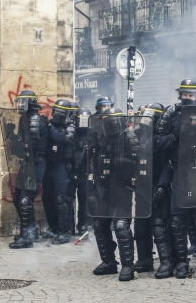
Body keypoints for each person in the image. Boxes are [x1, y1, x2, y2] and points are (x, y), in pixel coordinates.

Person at [157, 78, 196, 282]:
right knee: (178, 221)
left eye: (191, 95)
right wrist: (175, 137)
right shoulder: (172, 113)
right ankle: (182, 263)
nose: (187, 98)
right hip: (181, 173)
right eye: (184, 94)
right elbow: (159, 143)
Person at [89, 108, 142, 281]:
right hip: (105, 188)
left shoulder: (130, 139)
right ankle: (109, 262)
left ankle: (128, 266)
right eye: (107, 122)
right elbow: (93, 162)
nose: (111, 126)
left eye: (113, 122)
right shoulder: (101, 140)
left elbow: (138, 165)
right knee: (99, 223)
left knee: (121, 225)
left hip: (122, 188)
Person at [133, 103, 176, 278]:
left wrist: (162, 185)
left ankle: (166, 262)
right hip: (142, 186)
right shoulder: (137, 137)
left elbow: (168, 165)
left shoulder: (162, 139)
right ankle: (144, 260)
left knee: (158, 225)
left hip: (158, 185)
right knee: (141, 225)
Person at [9, 90, 49, 249]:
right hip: (27, 164)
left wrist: (14, 140)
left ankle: (28, 238)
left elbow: (28, 146)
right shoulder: (24, 119)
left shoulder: (33, 120)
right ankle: (29, 232)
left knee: (26, 199)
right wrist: (11, 136)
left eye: (21, 102)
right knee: (18, 197)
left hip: (36, 164)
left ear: (29, 103)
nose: (18, 105)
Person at [42, 99, 76, 244]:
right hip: (49, 165)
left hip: (62, 167)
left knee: (61, 199)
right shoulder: (50, 125)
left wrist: (49, 126)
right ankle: (53, 228)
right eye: (55, 111)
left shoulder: (70, 127)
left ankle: (64, 232)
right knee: (47, 199)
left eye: (61, 112)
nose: (57, 114)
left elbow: (62, 139)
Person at [71, 106, 92, 235]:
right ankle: (69, 225)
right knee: (68, 199)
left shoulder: (93, 134)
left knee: (84, 199)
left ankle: (83, 224)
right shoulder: (72, 133)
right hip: (72, 170)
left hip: (85, 171)